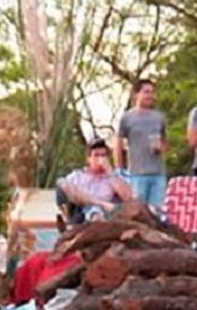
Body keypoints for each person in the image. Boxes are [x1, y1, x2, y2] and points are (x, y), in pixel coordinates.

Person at [115, 79, 168, 210]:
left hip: (158, 173)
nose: (150, 96)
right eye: (146, 92)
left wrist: (161, 147)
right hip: (137, 174)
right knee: (138, 212)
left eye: (152, 92)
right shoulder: (127, 118)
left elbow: (166, 143)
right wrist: (119, 170)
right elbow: (118, 144)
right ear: (136, 94)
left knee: (157, 212)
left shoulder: (159, 117)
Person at [60, 138, 134, 221]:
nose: (100, 159)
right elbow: (64, 188)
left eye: (103, 155)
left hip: (112, 214)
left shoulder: (116, 174)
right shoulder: (77, 176)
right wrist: (102, 204)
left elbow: (129, 198)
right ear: (88, 159)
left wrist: (110, 173)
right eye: (96, 155)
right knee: (95, 212)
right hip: (86, 214)